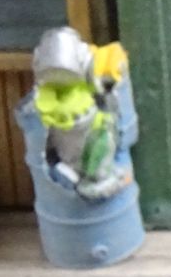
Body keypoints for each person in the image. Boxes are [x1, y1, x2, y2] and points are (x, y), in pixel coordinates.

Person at [30, 27, 129, 201]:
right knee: (104, 134)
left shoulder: (45, 92)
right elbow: (101, 92)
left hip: (62, 141)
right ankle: (94, 176)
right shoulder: (83, 60)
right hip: (85, 131)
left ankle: (74, 171)